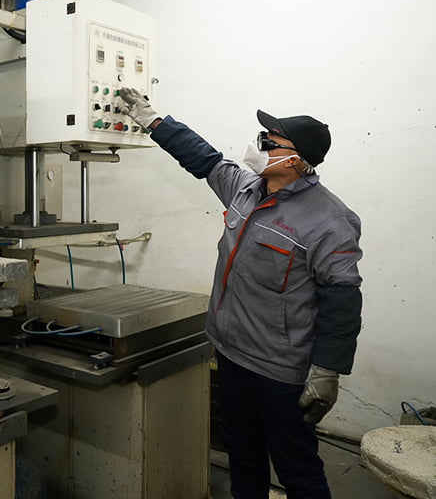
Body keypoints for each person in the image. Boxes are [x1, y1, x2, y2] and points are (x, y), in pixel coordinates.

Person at [120, 88, 363, 499]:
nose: (258, 145)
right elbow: (202, 157)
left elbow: (342, 301)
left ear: (296, 160)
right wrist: (152, 120)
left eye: (268, 141)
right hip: (230, 355)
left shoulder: (330, 221)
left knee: (298, 470)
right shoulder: (245, 189)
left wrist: (327, 371)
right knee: (242, 457)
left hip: (280, 372)